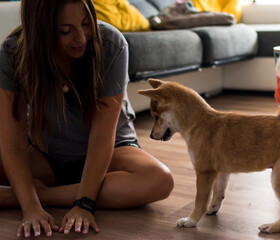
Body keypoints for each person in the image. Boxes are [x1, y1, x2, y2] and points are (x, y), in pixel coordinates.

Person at [0, 0, 174, 238]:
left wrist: (84, 203)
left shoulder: (111, 44)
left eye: (85, 23)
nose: (81, 38)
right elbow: (13, 144)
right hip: (44, 155)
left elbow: (102, 136)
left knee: (159, 180)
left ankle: (28, 194)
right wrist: (30, 209)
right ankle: (44, 190)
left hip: (111, 151)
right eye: (65, 30)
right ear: (40, 29)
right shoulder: (12, 52)